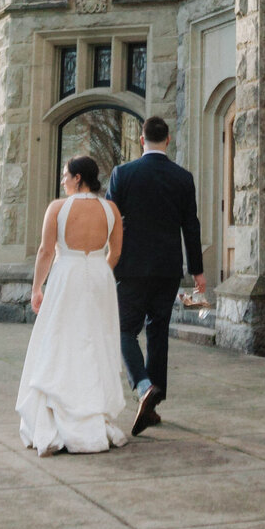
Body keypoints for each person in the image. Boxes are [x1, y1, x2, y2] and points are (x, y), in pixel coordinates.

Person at [16, 154, 127, 455]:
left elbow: (45, 251)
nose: (63, 180)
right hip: (99, 277)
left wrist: (37, 287)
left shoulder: (58, 208)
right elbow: (115, 252)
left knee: (60, 340)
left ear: (78, 177)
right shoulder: (111, 209)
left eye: (66, 175)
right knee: (95, 340)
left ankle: (57, 416)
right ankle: (93, 416)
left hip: (67, 275)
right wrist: (97, 270)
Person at [107, 115, 204, 435]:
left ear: (141, 140)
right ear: (168, 140)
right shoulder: (182, 178)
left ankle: (144, 386)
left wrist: (106, 260)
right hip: (167, 269)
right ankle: (152, 407)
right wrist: (198, 272)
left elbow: (109, 221)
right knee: (158, 332)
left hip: (131, 268)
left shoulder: (123, 174)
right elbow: (191, 225)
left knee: (124, 330)